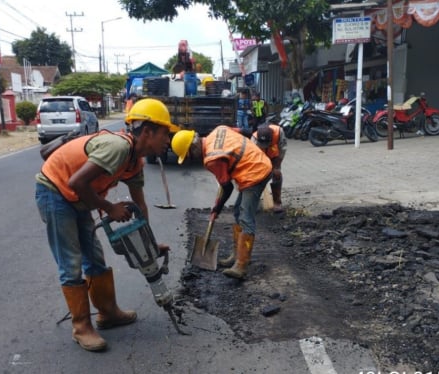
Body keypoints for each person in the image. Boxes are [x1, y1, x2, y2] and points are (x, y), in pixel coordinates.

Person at [35, 98, 179, 352]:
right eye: (165, 134)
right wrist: (110, 208)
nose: (167, 141)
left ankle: (108, 313)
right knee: (71, 262)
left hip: (79, 199)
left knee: (95, 258)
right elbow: (77, 182)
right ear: (147, 132)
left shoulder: (135, 162)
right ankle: (81, 327)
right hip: (55, 191)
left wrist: (150, 244)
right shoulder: (118, 148)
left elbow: (140, 206)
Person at [171, 125, 272, 280]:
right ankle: (237, 255)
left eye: (189, 155)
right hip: (258, 163)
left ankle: (241, 265)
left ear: (193, 146)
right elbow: (245, 131)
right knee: (238, 211)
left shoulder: (212, 159)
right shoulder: (218, 130)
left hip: (255, 173)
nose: (192, 158)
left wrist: (216, 209)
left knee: (246, 218)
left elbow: (227, 187)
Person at [252, 124, 288, 213]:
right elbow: (252, 158)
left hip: (274, 156)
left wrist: (276, 166)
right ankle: (255, 202)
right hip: (260, 158)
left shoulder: (279, 132)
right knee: (256, 179)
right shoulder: (253, 140)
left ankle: (277, 203)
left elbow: (282, 149)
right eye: (262, 144)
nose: (265, 145)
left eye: (266, 144)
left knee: (277, 175)